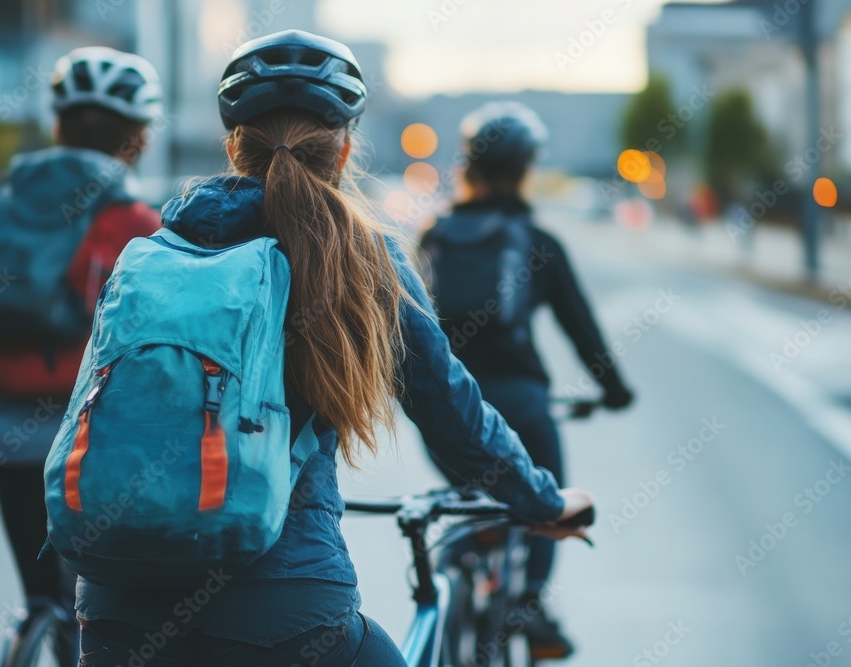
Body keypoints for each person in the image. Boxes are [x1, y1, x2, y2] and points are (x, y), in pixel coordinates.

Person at [72, 30, 594, 666]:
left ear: (233, 144)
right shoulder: (361, 254)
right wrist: (540, 500)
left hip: (116, 608)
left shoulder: (150, 255)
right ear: (345, 149)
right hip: (286, 610)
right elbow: (447, 403)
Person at [0, 47, 163, 618]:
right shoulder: (139, 225)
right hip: (102, 451)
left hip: (10, 440)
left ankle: (35, 634)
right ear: (137, 138)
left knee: (45, 604)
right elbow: (161, 352)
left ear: (57, 125)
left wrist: (9, 404)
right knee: (117, 616)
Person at [419, 102, 634, 659]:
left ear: (469, 165)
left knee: (469, 498)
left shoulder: (432, 236)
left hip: (447, 406)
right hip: (522, 403)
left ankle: (460, 569)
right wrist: (614, 391)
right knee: (546, 497)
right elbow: (581, 328)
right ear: (525, 168)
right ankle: (529, 604)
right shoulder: (538, 242)